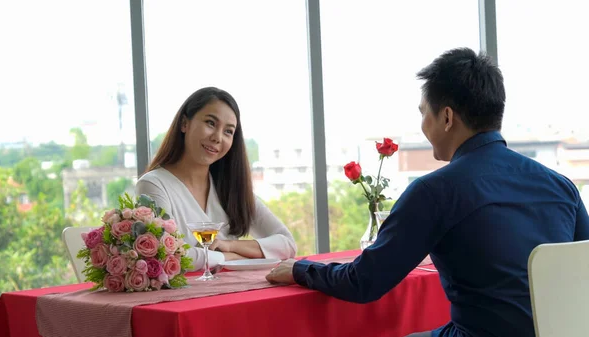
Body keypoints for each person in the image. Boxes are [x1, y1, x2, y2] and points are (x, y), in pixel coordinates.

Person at [265, 48, 589, 337]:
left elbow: (364, 281)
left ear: (447, 117)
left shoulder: (435, 191)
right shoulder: (562, 186)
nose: (422, 123)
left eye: (423, 112)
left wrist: (300, 268)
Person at [136, 87, 297, 271]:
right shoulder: (153, 185)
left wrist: (230, 246)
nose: (217, 137)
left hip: (236, 293)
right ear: (184, 124)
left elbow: (287, 245)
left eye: (228, 131)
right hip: (186, 298)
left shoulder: (231, 187)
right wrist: (230, 258)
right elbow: (168, 254)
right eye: (211, 123)